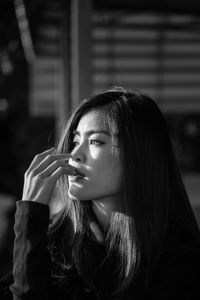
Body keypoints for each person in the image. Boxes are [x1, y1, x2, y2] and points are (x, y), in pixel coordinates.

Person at [1, 87, 200, 299]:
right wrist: (30, 219)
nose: (75, 155)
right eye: (76, 141)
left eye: (96, 141)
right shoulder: (54, 248)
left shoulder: (180, 263)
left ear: (140, 155)